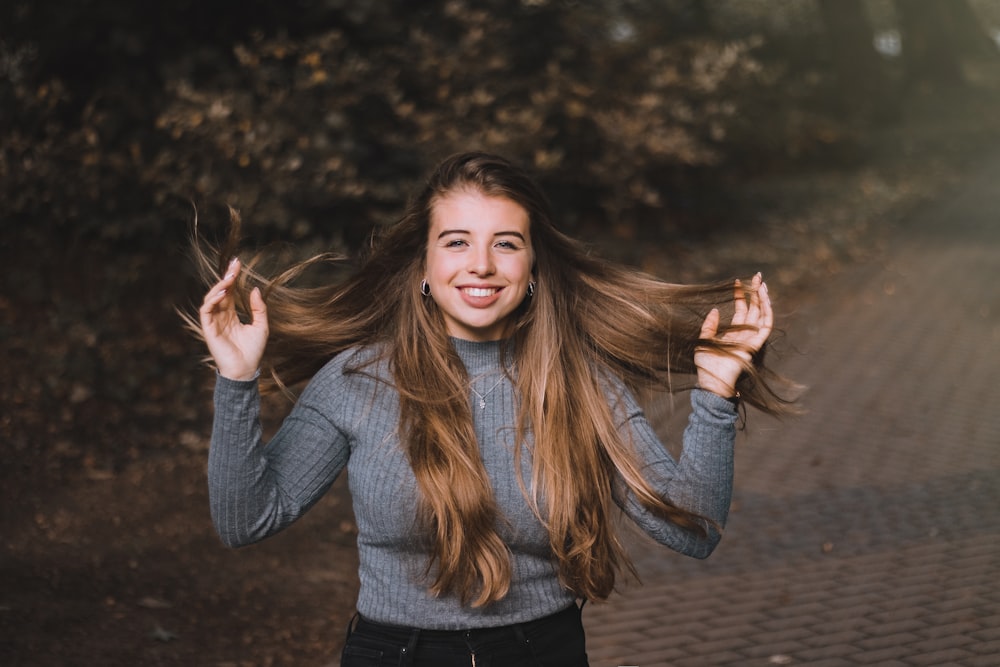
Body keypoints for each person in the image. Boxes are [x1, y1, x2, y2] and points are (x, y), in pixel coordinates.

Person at [192, 151, 795, 666]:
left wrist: (716, 394)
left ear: (532, 266)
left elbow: (693, 531)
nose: (480, 264)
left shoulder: (579, 381)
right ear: (423, 265)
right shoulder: (357, 380)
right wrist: (237, 379)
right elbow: (246, 520)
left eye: (505, 244)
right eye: (456, 242)